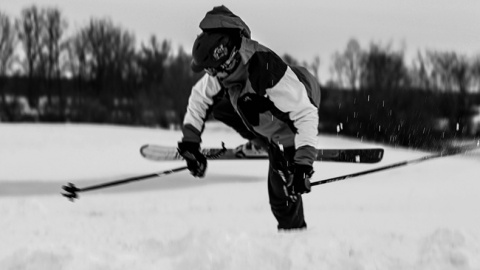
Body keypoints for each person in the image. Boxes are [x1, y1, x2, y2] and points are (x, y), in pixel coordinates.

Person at [177, 6, 321, 230]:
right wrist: (191, 141)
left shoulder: (265, 71)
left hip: (299, 103)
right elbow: (199, 98)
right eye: (209, 71)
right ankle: (262, 141)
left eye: (212, 71)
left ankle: (295, 238)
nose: (212, 76)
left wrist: (302, 161)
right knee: (223, 106)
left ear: (229, 59)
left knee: (281, 192)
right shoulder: (223, 69)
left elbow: (305, 113)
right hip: (267, 105)